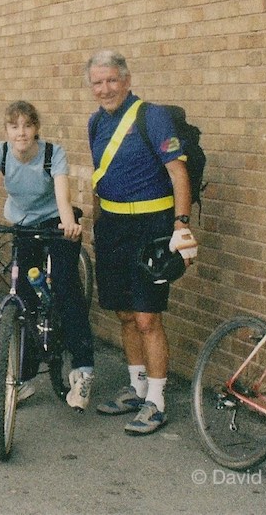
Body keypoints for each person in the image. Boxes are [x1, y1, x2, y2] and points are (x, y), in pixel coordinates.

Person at [85, 50, 197, 435]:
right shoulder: (95, 122)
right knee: (124, 313)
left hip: (153, 226)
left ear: (127, 81)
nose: (105, 89)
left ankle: (157, 401)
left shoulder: (152, 116)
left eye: (112, 80)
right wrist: (97, 227)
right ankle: (135, 389)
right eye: (97, 83)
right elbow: (101, 179)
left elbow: (178, 173)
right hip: (113, 226)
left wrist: (182, 226)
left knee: (148, 316)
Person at [0, 100, 95, 409]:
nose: (21, 132)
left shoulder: (53, 154)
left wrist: (68, 223)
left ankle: (82, 371)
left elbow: (61, 194)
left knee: (67, 286)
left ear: (36, 128)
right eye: (14, 126)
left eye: (27, 125)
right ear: (6, 130)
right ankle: (23, 377)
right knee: (23, 297)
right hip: (23, 224)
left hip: (57, 221)